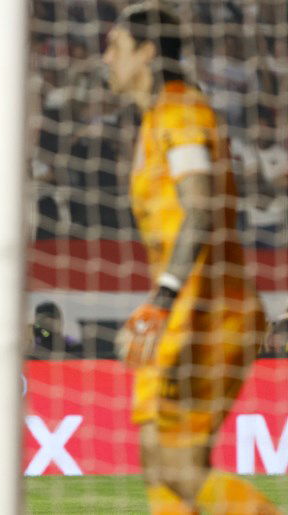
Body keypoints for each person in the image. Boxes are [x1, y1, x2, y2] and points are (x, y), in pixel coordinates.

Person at [103, 5, 278, 514]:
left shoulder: (179, 110)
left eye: (116, 46)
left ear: (147, 52)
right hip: (196, 306)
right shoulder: (157, 118)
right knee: (169, 466)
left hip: (209, 309)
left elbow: (201, 207)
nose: (105, 57)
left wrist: (164, 295)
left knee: (170, 464)